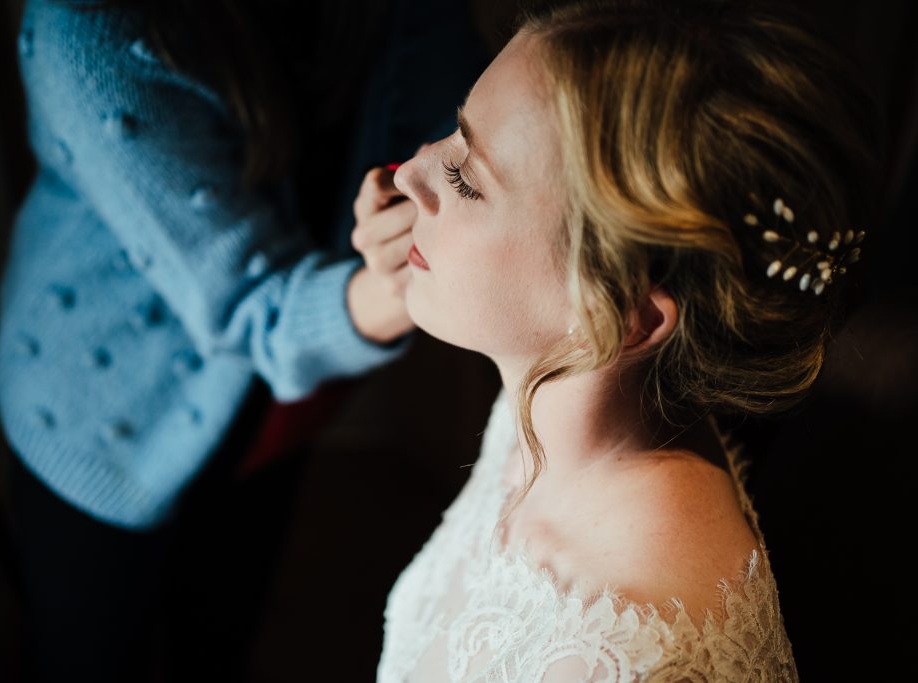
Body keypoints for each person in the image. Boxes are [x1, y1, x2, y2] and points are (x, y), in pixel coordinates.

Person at [356, 0, 879, 680]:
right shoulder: (560, 399)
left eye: (464, 178)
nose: (408, 173)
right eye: (455, 134)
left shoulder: (623, 660)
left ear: (625, 316)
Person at [0, 0, 490, 680]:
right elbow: (254, 312)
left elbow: (451, 122)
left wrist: (434, 209)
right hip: (108, 413)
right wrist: (410, 276)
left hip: (284, 403)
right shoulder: (86, 29)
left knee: (222, 638)